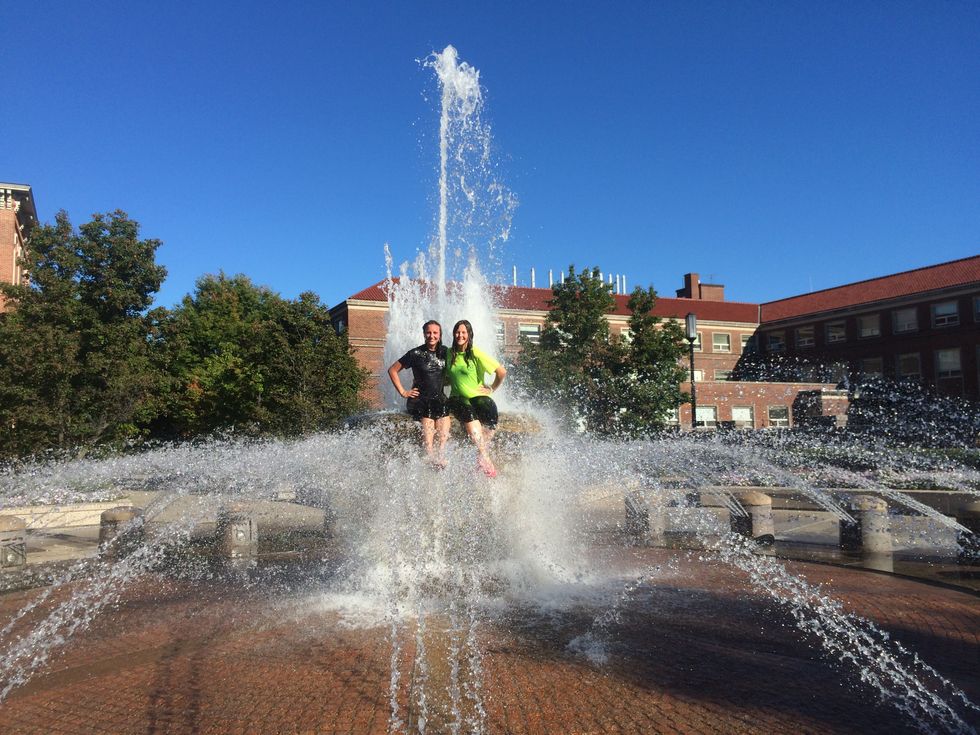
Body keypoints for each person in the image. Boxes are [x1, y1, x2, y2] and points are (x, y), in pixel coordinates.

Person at [445, 319, 506, 478]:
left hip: (477, 396)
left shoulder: (475, 353)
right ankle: (485, 457)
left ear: (469, 334)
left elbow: (501, 372)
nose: (460, 335)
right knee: (467, 410)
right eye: (457, 332)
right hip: (457, 398)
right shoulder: (448, 353)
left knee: (490, 408)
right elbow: (445, 377)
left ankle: (480, 456)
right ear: (453, 334)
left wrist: (491, 388)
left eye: (463, 332)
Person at [387, 320, 451, 465]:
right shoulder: (415, 353)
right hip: (419, 399)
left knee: (444, 409)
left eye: (435, 333)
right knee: (429, 408)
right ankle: (429, 454)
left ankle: (441, 454)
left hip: (438, 398)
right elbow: (392, 370)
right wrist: (403, 392)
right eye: (428, 332)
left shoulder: (445, 352)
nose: (432, 336)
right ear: (424, 334)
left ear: (440, 335)